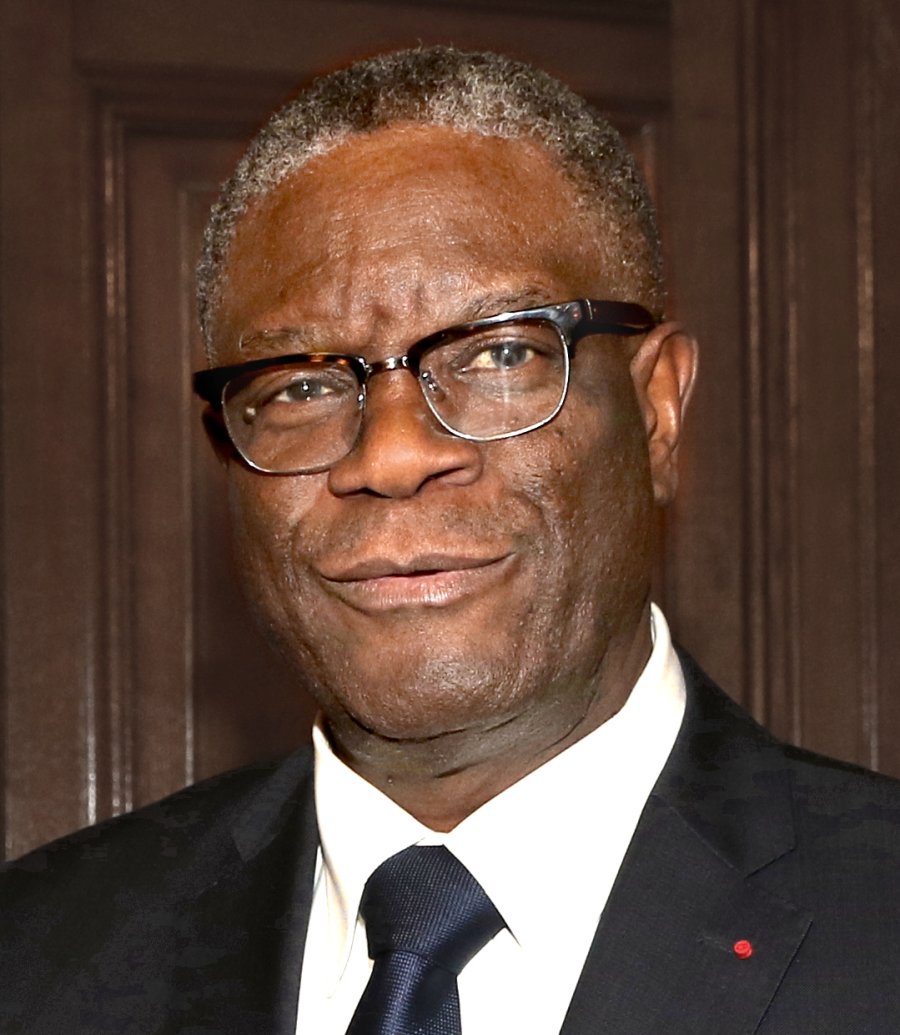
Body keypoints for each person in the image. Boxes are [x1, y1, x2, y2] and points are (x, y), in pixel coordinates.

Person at [2, 45, 899, 1035]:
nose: (391, 454)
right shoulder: (38, 962)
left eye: (499, 354)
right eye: (302, 386)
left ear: (656, 410)